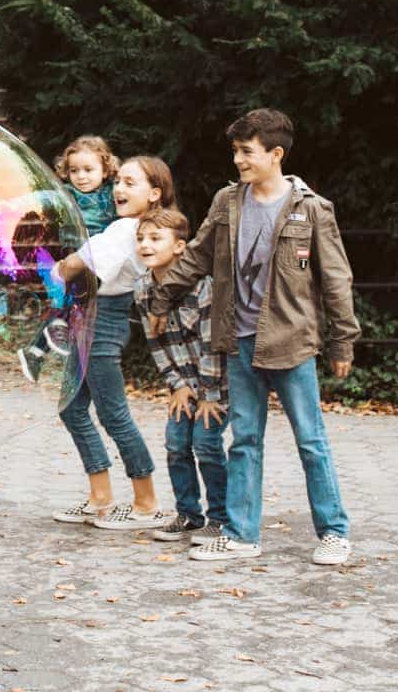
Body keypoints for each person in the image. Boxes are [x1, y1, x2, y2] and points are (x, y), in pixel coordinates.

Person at [151, 108, 359, 566]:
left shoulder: (312, 209)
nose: (239, 160)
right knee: (243, 440)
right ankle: (242, 534)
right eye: (236, 151)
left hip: (291, 344)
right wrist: (161, 298)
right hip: (239, 342)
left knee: (311, 441)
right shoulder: (227, 202)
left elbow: (337, 279)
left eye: (247, 152)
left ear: (275, 154)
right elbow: (197, 257)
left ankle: (334, 533)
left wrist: (343, 342)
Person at [50, 155, 175, 532]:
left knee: (113, 414)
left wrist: (54, 269)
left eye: (130, 183)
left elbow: (79, 265)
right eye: (118, 180)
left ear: (154, 194)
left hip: (103, 321)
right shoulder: (126, 228)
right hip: (90, 317)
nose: (119, 188)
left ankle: (147, 502)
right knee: (72, 409)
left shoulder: (125, 231)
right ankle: (101, 498)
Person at [134, 206, 227, 543]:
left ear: (180, 247)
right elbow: (154, 343)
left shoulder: (203, 288)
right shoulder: (143, 288)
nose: (145, 244)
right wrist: (176, 386)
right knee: (176, 444)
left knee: (206, 446)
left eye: (155, 238)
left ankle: (220, 518)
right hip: (183, 386)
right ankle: (188, 514)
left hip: (216, 385)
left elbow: (213, 345)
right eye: (141, 238)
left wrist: (208, 395)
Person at [19, 136, 120, 381]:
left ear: (105, 170)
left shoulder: (113, 192)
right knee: (70, 300)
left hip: (97, 257)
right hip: (73, 253)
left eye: (89, 170)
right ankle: (51, 336)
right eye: (74, 170)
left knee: (72, 304)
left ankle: (35, 350)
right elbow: (45, 198)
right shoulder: (67, 194)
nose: (81, 176)